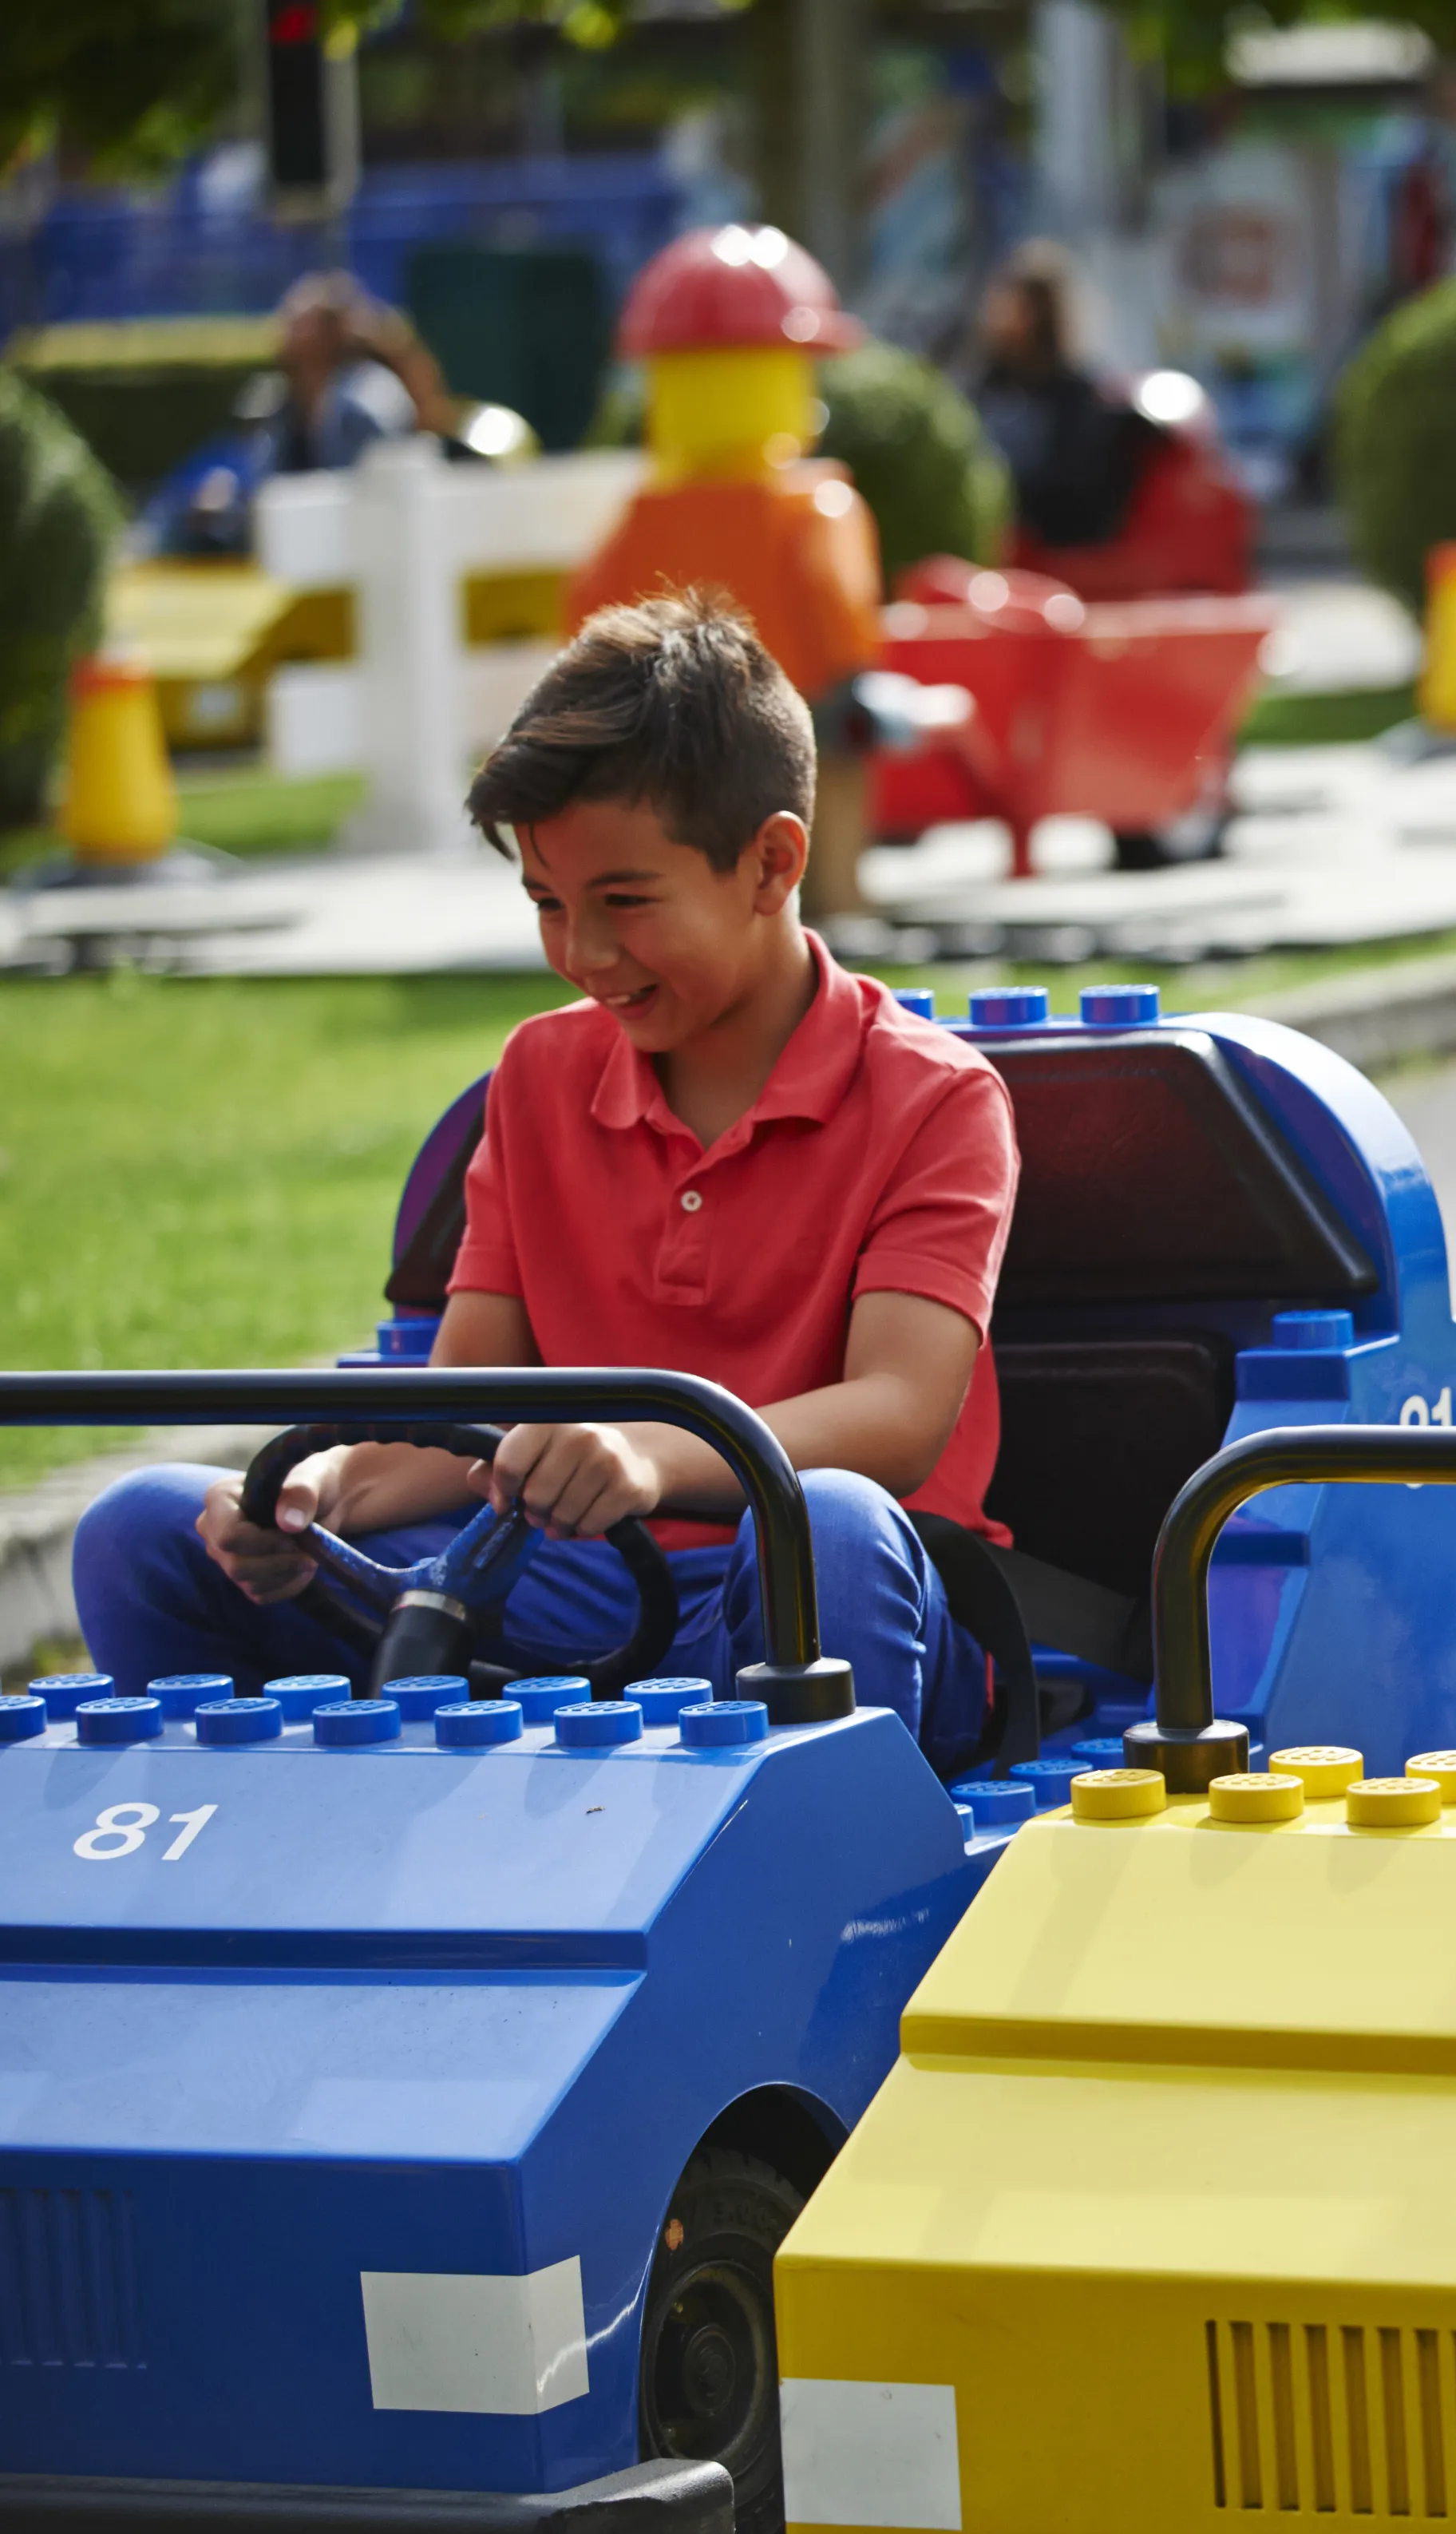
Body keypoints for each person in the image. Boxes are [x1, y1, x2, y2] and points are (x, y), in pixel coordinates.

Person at [71, 592, 1019, 1766]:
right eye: (547, 904)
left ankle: (817, 1883)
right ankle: (263, 1885)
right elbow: (458, 1410)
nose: (582, 953)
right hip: (557, 1596)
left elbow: (899, 1417)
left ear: (772, 864)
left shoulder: (938, 1098)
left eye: (624, 902)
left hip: (810, 1605)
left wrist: (643, 1454)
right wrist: (311, 1497)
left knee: (821, 1523)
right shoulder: (535, 1074)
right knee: (145, 1528)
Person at [968, 245, 1142, 552]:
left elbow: (1078, 490)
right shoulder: (986, 384)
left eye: (1017, 307)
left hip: (1054, 545)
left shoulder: (1077, 397)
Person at [264, 271, 460, 476]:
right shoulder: (279, 401)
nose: (283, 330)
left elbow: (377, 486)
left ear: (329, 333)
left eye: (297, 323)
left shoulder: (368, 402)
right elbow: (267, 482)